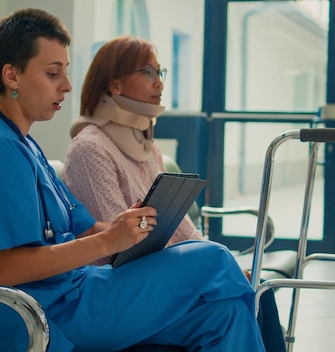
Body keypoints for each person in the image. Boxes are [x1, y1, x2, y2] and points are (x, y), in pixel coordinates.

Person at [0, 8, 265, 352]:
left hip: (77, 292)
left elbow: (85, 227)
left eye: (65, 71)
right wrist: (109, 243)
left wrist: (124, 228)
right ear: (11, 76)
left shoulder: (24, 147)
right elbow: (4, 269)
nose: (66, 85)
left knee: (225, 315)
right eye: (52, 73)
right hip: (45, 313)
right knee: (214, 258)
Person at [62, 35, 286, 352]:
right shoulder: (90, 149)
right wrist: (201, 269)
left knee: (238, 302)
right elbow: (113, 247)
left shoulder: (148, 149)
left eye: (160, 72)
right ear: (115, 85)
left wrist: (212, 265)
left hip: (157, 275)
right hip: (118, 288)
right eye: (148, 73)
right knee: (239, 281)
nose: (159, 83)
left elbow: (181, 227)